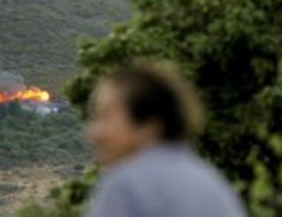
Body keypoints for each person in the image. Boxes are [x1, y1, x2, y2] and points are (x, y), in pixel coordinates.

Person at [85, 62, 247, 217]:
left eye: (104, 117)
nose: (92, 133)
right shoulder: (211, 182)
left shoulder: (127, 183)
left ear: (148, 124)